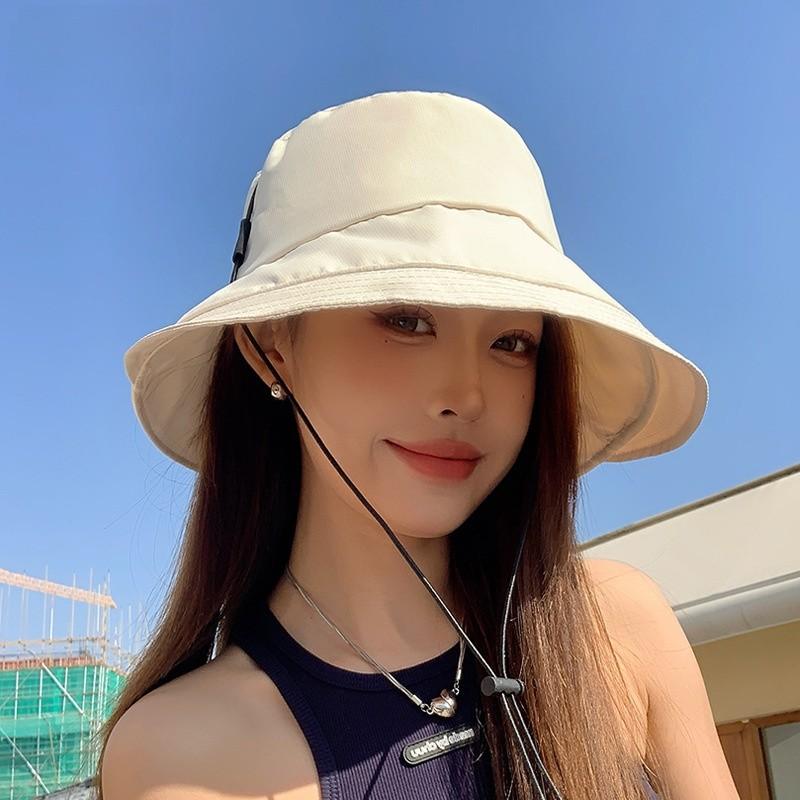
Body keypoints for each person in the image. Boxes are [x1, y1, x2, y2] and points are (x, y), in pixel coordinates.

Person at [96, 90, 740, 799]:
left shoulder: (618, 632)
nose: (466, 395)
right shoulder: (183, 753)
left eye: (512, 342)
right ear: (271, 344)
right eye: (406, 321)